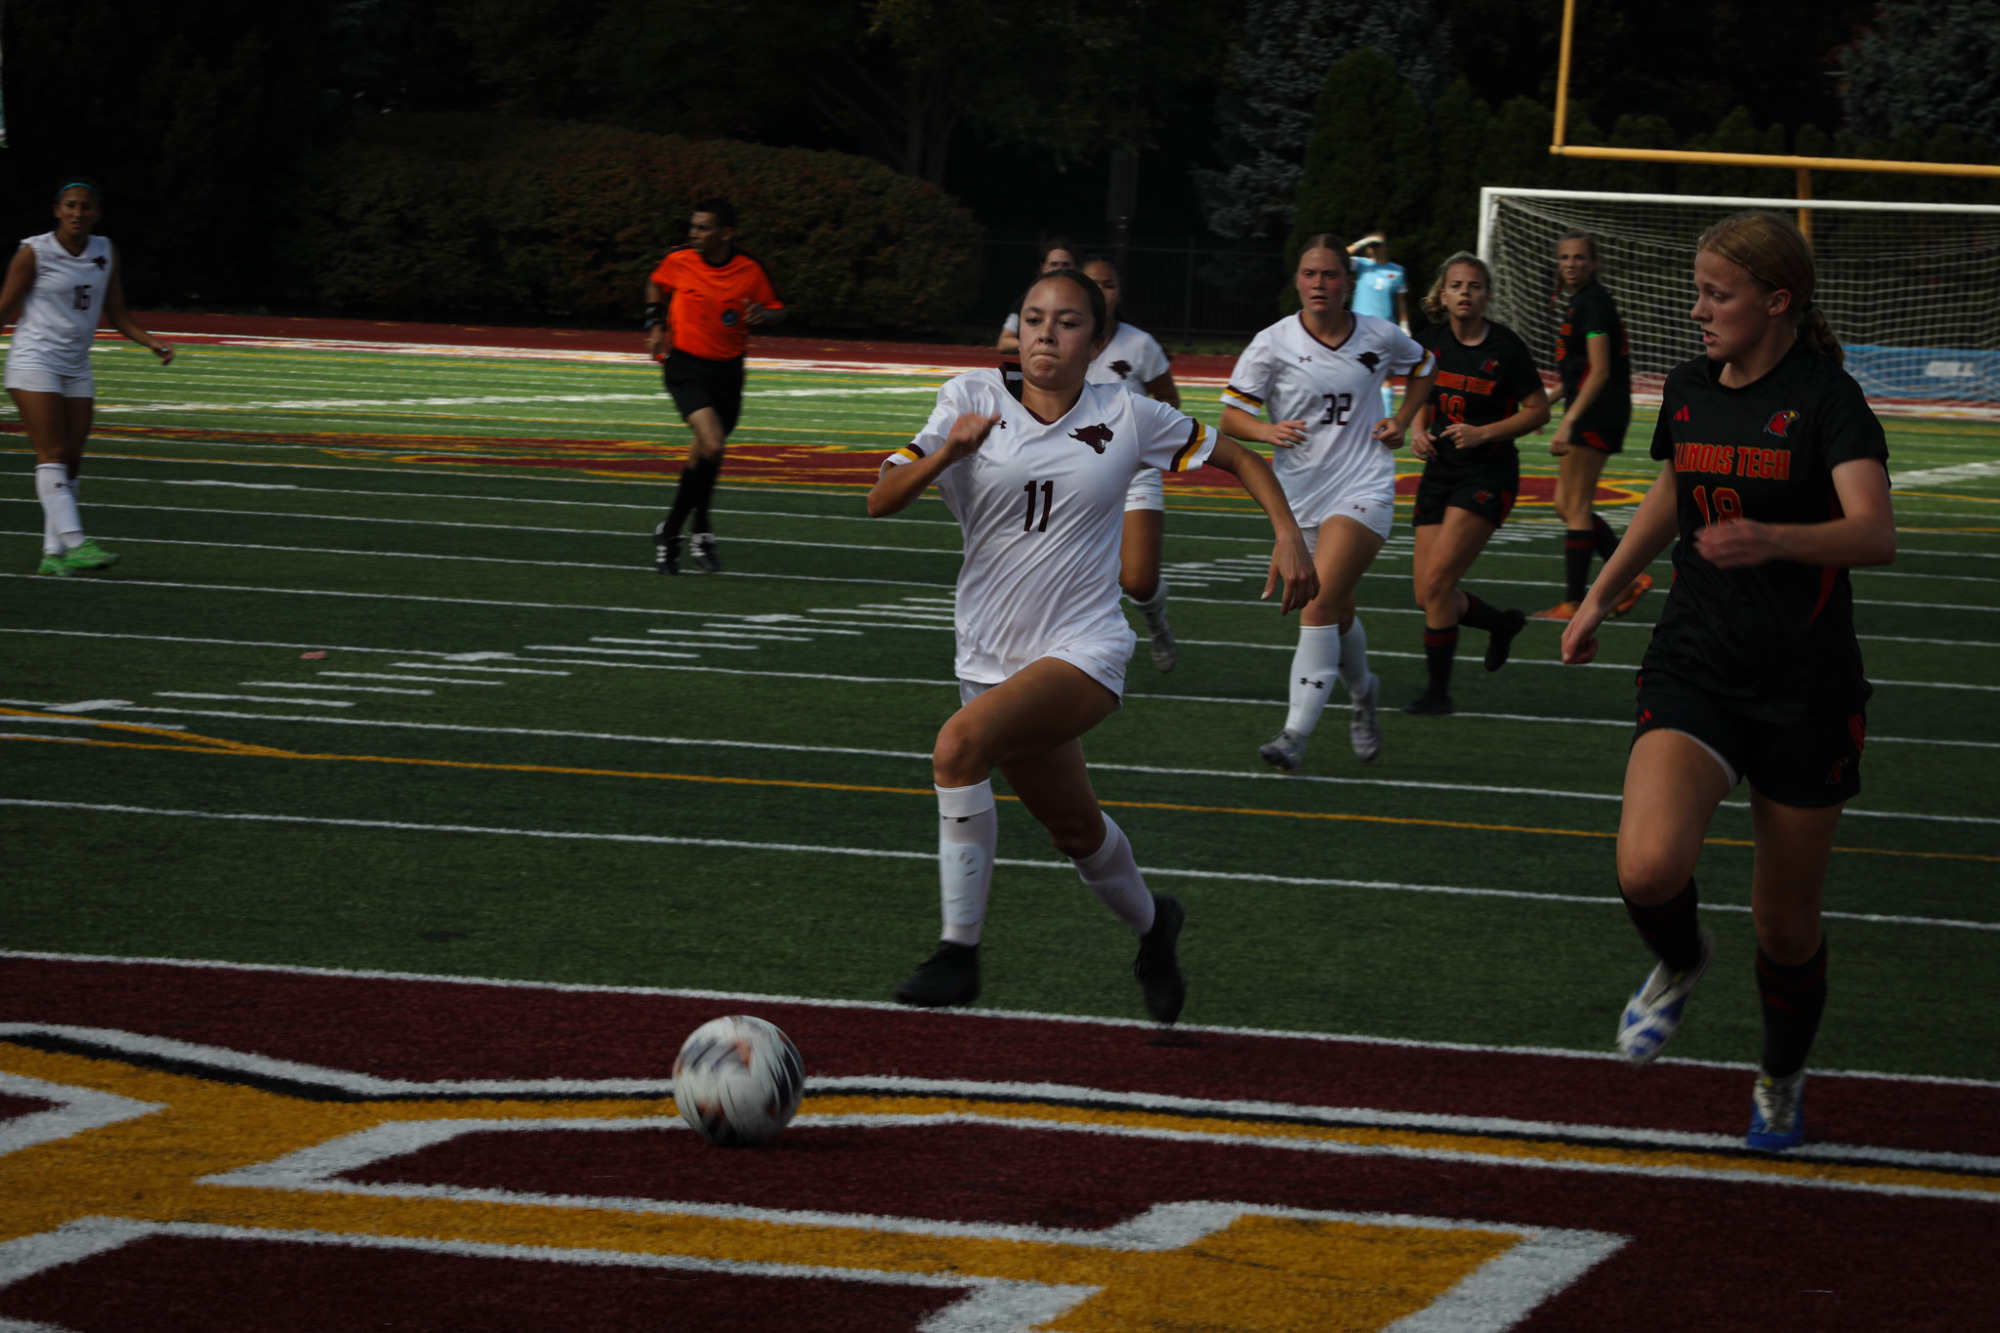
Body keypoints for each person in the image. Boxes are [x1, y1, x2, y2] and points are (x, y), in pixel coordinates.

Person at [871, 267, 1318, 1019]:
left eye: (1068, 321)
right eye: (1034, 318)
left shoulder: (1131, 414)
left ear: (1098, 338)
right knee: (1075, 829)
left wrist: (1289, 534)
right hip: (987, 654)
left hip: (1085, 649)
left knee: (958, 748)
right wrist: (950, 452)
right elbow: (880, 499)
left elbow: (1237, 455)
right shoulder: (968, 398)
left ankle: (958, 952)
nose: (1047, 332)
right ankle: (1155, 924)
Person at [1560, 212, 1895, 1152]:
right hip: (1695, 664)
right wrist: (1600, 589)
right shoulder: (1694, 386)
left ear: (1777, 301)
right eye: (1698, 290)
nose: (1698, 309)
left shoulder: (1829, 398)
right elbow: (1675, 485)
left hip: (1805, 689)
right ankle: (1680, 959)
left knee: (1785, 928)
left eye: (1718, 293)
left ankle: (1780, 1080)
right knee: (1647, 866)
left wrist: (1775, 536)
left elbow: (1875, 531)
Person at [1222, 234, 1437, 771]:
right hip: (1298, 499)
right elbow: (1231, 418)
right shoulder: (1272, 342)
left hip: (1363, 487)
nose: (1320, 283)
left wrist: (1403, 419)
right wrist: (1266, 430)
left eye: (1331, 275)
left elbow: (1426, 367)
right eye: (1310, 274)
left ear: (1349, 281)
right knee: (1337, 612)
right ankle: (1364, 694)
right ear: (1297, 280)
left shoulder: (1379, 334)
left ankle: (1294, 734)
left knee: (1316, 604)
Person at [1, 180, 174, 576]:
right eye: (70, 205)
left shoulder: (104, 250)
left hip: (76, 365)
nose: (78, 213)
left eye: (86, 207)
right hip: (34, 360)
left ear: (97, 213)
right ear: (57, 210)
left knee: (72, 460)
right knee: (53, 452)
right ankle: (78, 543)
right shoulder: (34, 252)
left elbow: (117, 313)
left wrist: (151, 342)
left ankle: (53, 554)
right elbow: (4, 309)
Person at [1404, 252, 1550, 714]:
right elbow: (1416, 397)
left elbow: (1538, 410)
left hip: (1488, 472)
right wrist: (1415, 430)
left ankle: (1437, 695)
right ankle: (1501, 624)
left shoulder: (1506, 347)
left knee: (1438, 580)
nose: (1465, 293)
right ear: (1442, 295)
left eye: (1475, 285)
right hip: (1440, 471)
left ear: (1487, 295)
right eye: (1457, 285)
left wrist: (1483, 432)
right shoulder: (1428, 343)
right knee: (1427, 594)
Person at [646, 198, 784, 575]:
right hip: (685, 365)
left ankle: (672, 531)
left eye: (703, 228)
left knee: (704, 456)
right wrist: (656, 324)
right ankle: (701, 531)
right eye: (693, 226)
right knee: (713, 443)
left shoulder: (750, 268)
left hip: (728, 372)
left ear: (726, 233)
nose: (694, 234)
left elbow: (776, 306)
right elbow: (656, 284)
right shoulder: (679, 260)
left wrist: (764, 314)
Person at [1537, 229, 1651, 621]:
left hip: (1597, 412)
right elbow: (1574, 372)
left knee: (1578, 506)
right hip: (1588, 409)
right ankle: (1631, 579)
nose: (1571, 264)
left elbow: (1600, 371)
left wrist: (1567, 421)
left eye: (1580, 258)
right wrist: (1541, 405)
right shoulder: (1580, 302)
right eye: (1565, 257)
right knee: (1565, 506)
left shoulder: (1596, 304)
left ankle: (1572, 602)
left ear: (1595, 263)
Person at [1080, 255, 1181, 671]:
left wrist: (1147, 439)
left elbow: (1169, 399)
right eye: (1093, 285)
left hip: (1134, 474)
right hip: (1078, 476)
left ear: (1119, 293)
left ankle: (1157, 624)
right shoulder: (1065, 341)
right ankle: (1091, 662)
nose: (1102, 292)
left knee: (1138, 580)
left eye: (1108, 284)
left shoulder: (1139, 344)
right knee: (1080, 580)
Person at [1347, 233, 1409, 418]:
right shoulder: (1362, 265)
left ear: (1385, 247)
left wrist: (1405, 323)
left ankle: (1385, 418)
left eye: (1377, 245)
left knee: (1384, 374)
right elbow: (1338, 257)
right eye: (1371, 245)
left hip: (1384, 328)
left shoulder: (1397, 271)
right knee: (1354, 372)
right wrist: (1361, 241)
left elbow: (1401, 300)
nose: (1373, 248)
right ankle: (1355, 415)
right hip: (1358, 327)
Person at [995, 237, 1081, 354]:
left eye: (1066, 265)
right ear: (1044, 268)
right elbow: (1004, 343)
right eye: (1054, 264)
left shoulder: (1087, 301)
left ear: (1075, 268)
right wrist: (1038, 344)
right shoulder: (1028, 300)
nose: (1060, 269)